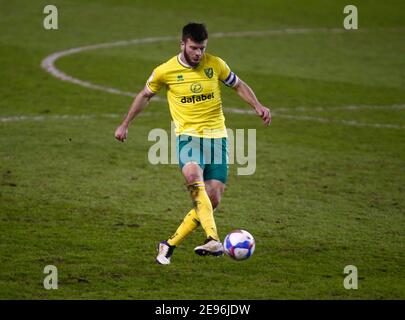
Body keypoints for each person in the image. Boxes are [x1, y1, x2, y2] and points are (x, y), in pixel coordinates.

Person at [115, 22, 271, 265]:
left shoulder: (216, 64)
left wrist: (257, 105)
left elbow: (238, 84)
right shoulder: (165, 71)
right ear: (183, 45)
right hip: (188, 137)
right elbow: (145, 95)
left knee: (213, 198)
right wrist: (125, 124)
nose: (199, 53)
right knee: (192, 179)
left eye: (202, 48)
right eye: (194, 48)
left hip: (217, 138)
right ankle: (213, 239)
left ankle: (168, 245)